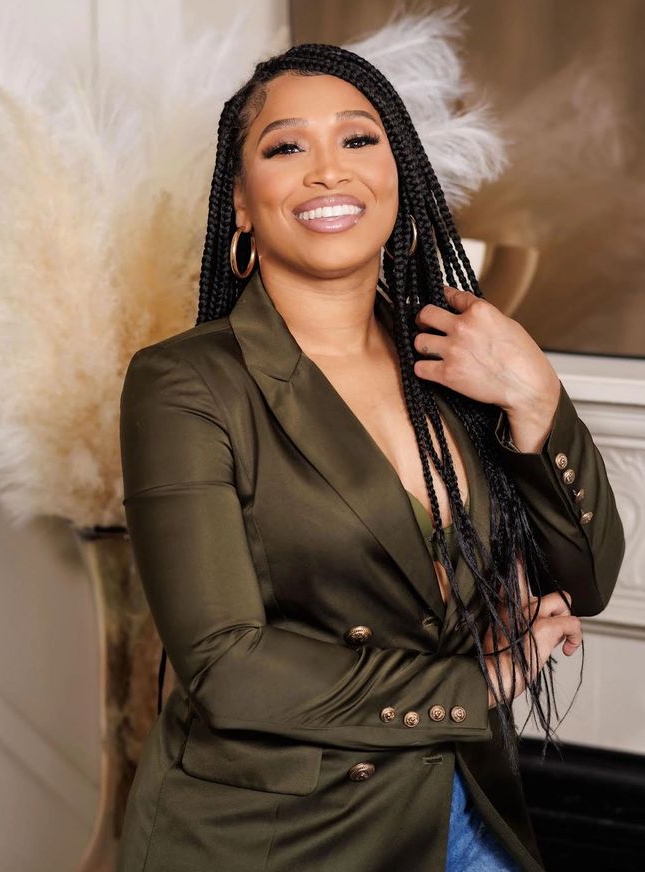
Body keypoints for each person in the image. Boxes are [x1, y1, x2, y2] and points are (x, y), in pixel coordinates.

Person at [116, 43, 625, 872]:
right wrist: (479, 684)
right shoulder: (186, 384)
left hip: (459, 802)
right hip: (280, 841)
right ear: (241, 202)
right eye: (287, 148)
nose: (328, 172)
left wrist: (536, 397)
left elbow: (588, 582)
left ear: (401, 172)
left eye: (358, 140)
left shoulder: (453, 361)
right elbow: (226, 665)